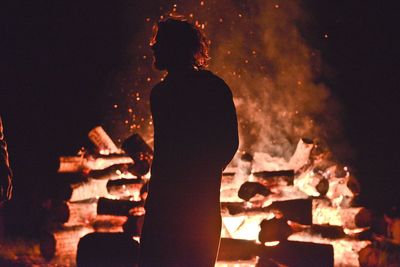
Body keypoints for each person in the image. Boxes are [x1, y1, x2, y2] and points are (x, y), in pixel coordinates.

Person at [139, 18, 238, 266]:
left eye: (159, 42)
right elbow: (228, 143)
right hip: (200, 205)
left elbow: (166, 154)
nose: (153, 47)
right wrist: (204, 176)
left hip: (168, 207)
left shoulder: (163, 94)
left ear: (175, 47)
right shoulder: (214, 87)